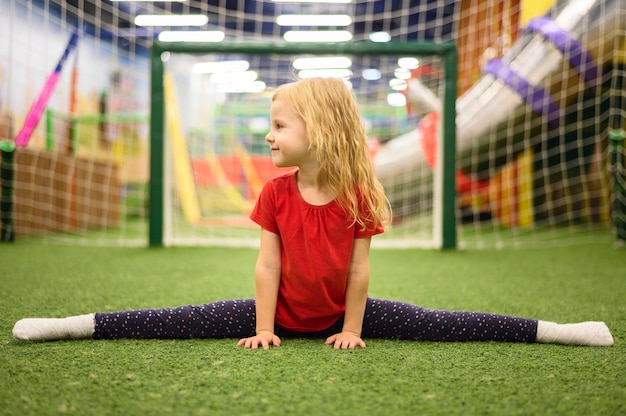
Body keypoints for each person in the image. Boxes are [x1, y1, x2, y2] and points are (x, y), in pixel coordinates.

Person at [12, 78, 613, 348]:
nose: (268, 137)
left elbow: (357, 273)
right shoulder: (276, 192)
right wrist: (266, 326)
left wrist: (351, 329)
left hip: (340, 316)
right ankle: (76, 323)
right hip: (278, 311)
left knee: (440, 321)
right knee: (180, 318)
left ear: (319, 130)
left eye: (278, 126)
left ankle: (558, 332)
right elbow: (268, 267)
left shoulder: (358, 197)